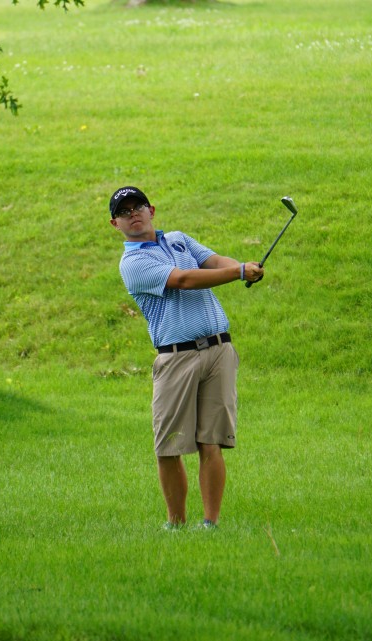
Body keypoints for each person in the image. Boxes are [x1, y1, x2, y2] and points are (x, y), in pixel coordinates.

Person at [108, 186, 263, 530]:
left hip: (219, 351)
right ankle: (175, 524)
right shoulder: (133, 263)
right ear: (115, 224)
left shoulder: (178, 239)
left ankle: (210, 523)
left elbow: (213, 261)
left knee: (212, 441)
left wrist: (243, 266)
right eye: (123, 212)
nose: (133, 214)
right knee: (168, 446)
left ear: (151, 210)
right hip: (176, 358)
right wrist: (239, 273)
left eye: (138, 207)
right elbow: (184, 279)